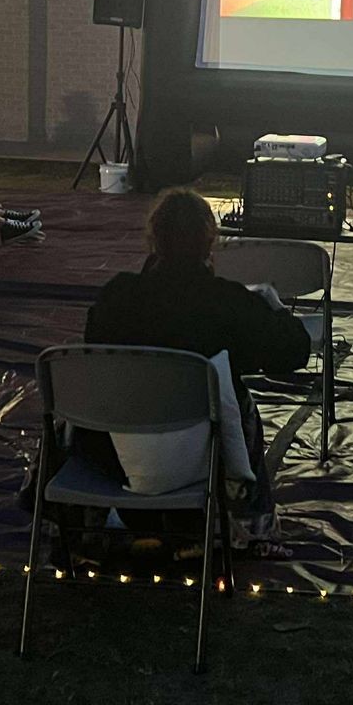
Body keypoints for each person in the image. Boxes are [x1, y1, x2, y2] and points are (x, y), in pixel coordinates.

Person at [78, 188, 312, 544]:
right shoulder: (228, 302)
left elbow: (91, 352)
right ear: (208, 244)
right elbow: (294, 352)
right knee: (236, 398)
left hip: (117, 458)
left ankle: (79, 523)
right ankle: (251, 521)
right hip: (205, 460)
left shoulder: (117, 296)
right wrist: (276, 309)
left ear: (154, 240)